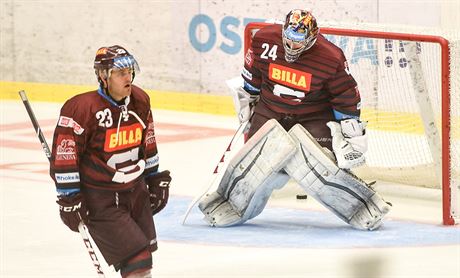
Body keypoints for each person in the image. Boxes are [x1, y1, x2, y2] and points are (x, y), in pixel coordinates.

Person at [198, 9, 390, 230]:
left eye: (299, 41)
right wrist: (247, 101)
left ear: (312, 37)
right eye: (289, 39)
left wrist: (351, 133)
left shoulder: (330, 57)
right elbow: (253, 74)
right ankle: (229, 205)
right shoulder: (263, 40)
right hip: (270, 111)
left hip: (313, 116)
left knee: (318, 169)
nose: (292, 46)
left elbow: (345, 95)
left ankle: (363, 207)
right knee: (256, 166)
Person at [49, 45, 172, 278]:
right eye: (120, 72)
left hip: (134, 191)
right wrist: (69, 196)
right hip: (100, 197)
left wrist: (153, 177)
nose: (128, 77)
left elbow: (148, 142)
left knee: (143, 259)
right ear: (103, 76)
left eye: (130, 71)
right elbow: (66, 155)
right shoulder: (81, 108)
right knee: (138, 259)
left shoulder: (140, 100)